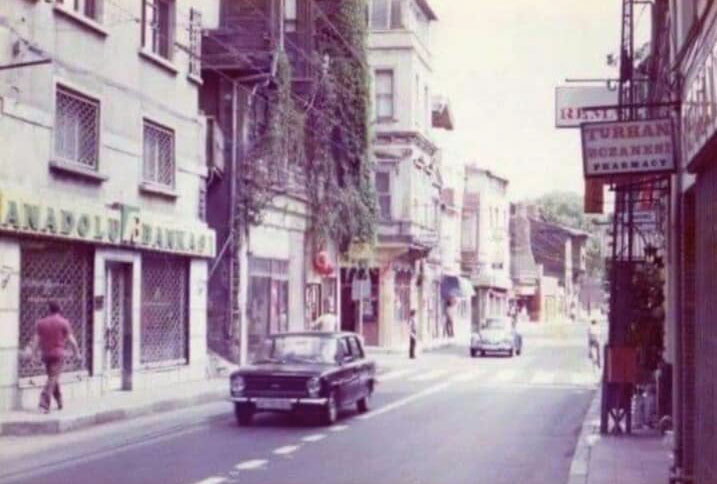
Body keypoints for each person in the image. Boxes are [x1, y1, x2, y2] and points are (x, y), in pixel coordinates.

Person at [23, 301, 80, 413]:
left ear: (48, 310)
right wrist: (77, 352)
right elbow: (72, 340)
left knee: (52, 377)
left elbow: (36, 341)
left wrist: (33, 355)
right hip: (58, 355)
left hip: (46, 355)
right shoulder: (64, 322)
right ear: (60, 310)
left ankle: (59, 401)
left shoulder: (41, 323)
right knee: (53, 378)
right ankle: (44, 403)